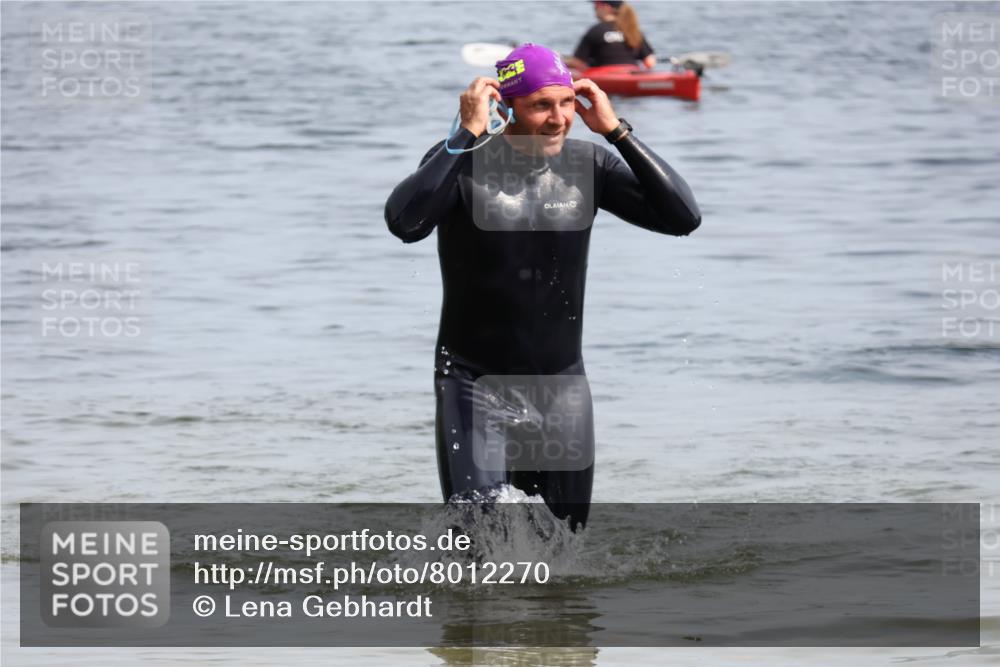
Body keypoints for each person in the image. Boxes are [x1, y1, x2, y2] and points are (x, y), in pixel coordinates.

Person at [384, 43, 700, 531]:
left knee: (563, 553)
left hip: (560, 390)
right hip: (474, 386)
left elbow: (683, 218)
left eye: (567, 103)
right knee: (480, 536)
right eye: (541, 106)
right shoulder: (463, 162)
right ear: (505, 107)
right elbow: (406, 222)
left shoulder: (590, 167)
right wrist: (464, 135)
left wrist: (618, 132)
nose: (559, 119)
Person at [566, 1, 656, 71]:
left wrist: (562, 61)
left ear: (607, 7)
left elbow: (578, 63)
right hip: (632, 73)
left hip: (604, 75)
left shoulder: (596, 30)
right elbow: (650, 62)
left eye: (597, 4)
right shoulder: (632, 30)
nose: (594, 7)